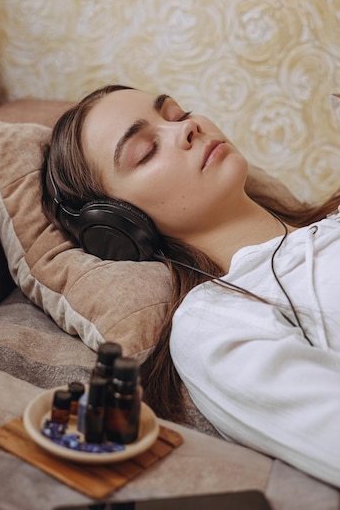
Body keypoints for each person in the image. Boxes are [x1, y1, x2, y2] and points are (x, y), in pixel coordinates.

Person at [42, 84, 340, 488]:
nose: (188, 129)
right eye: (146, 151)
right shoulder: (215, 320)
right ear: (118, 225)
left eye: (178, 115)